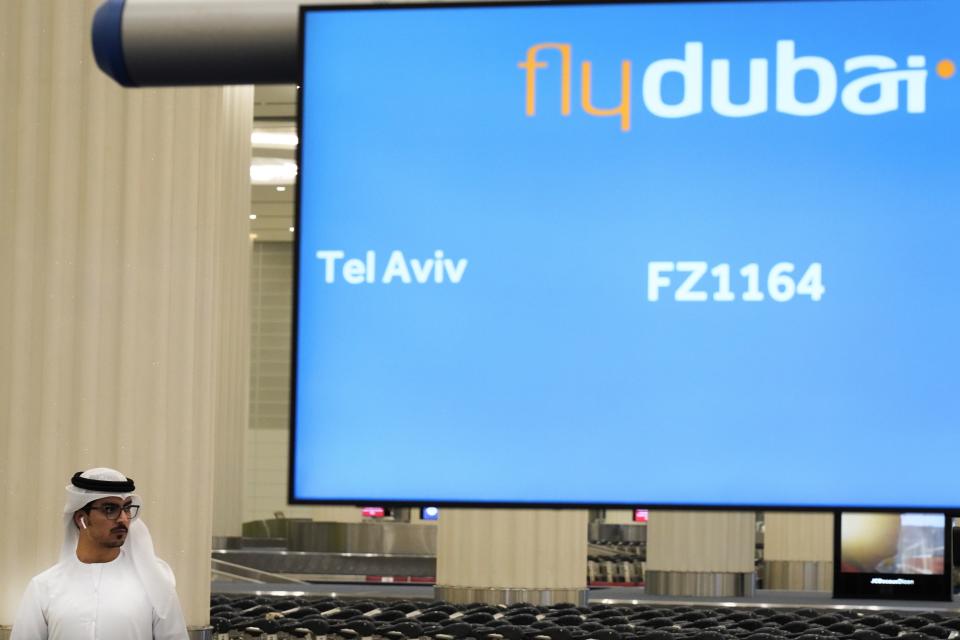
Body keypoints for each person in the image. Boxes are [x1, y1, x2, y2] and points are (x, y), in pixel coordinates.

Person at [11, 468, 188, 639]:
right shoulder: (44, 587)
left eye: (126, 508)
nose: (124, 519)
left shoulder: (155, 584)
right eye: (110, 509)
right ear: (81, 519)